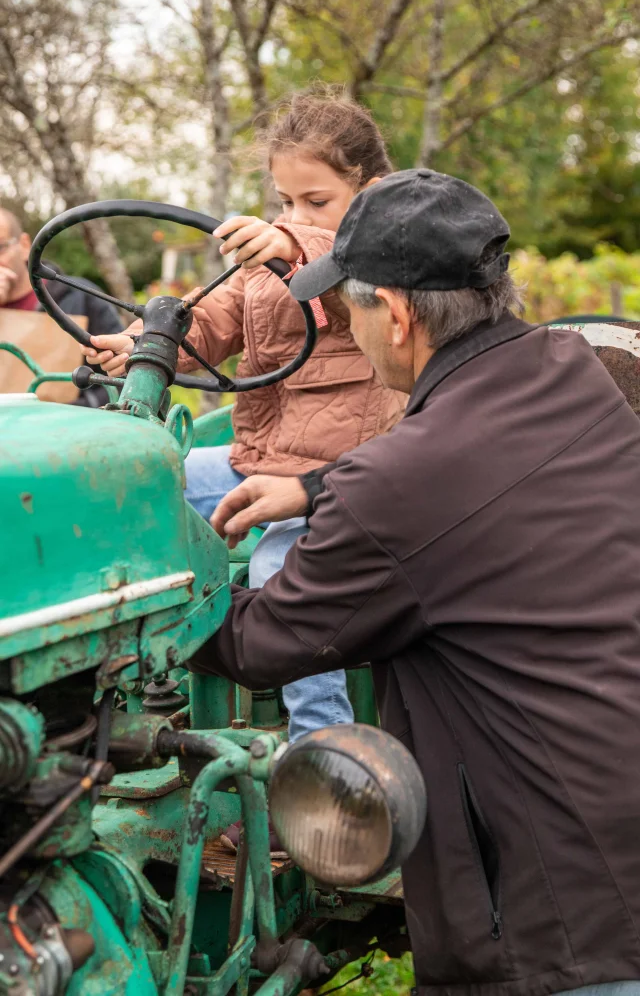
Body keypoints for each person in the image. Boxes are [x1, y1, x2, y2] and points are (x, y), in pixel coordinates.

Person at [191, 169, 640, 996]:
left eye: (348, 305)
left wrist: (151, 592)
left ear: (395, 316)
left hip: (553, 916)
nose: (347, 324)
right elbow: (471, 474)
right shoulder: (574, 372)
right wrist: (315, 486)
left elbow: (261, 641)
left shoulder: (400, 485)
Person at [81, 90, 405, 747]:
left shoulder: (388, 258)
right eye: (285, 201)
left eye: (316, 201)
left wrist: (292, 240)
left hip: (336, 477)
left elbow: (343, 268)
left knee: (280, 578)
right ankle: (142, 677)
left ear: (369, 194)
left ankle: (323, 748)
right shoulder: (259, 272)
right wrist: (146, 344)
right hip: (257, 456)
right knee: (138, 489)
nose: (295, 215)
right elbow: (208, 322)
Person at [0, 206, 122, 407]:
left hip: (73, 424)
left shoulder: (82, 298)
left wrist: (76, 410)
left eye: (0, 248)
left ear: (24, 245)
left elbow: (123, 378)